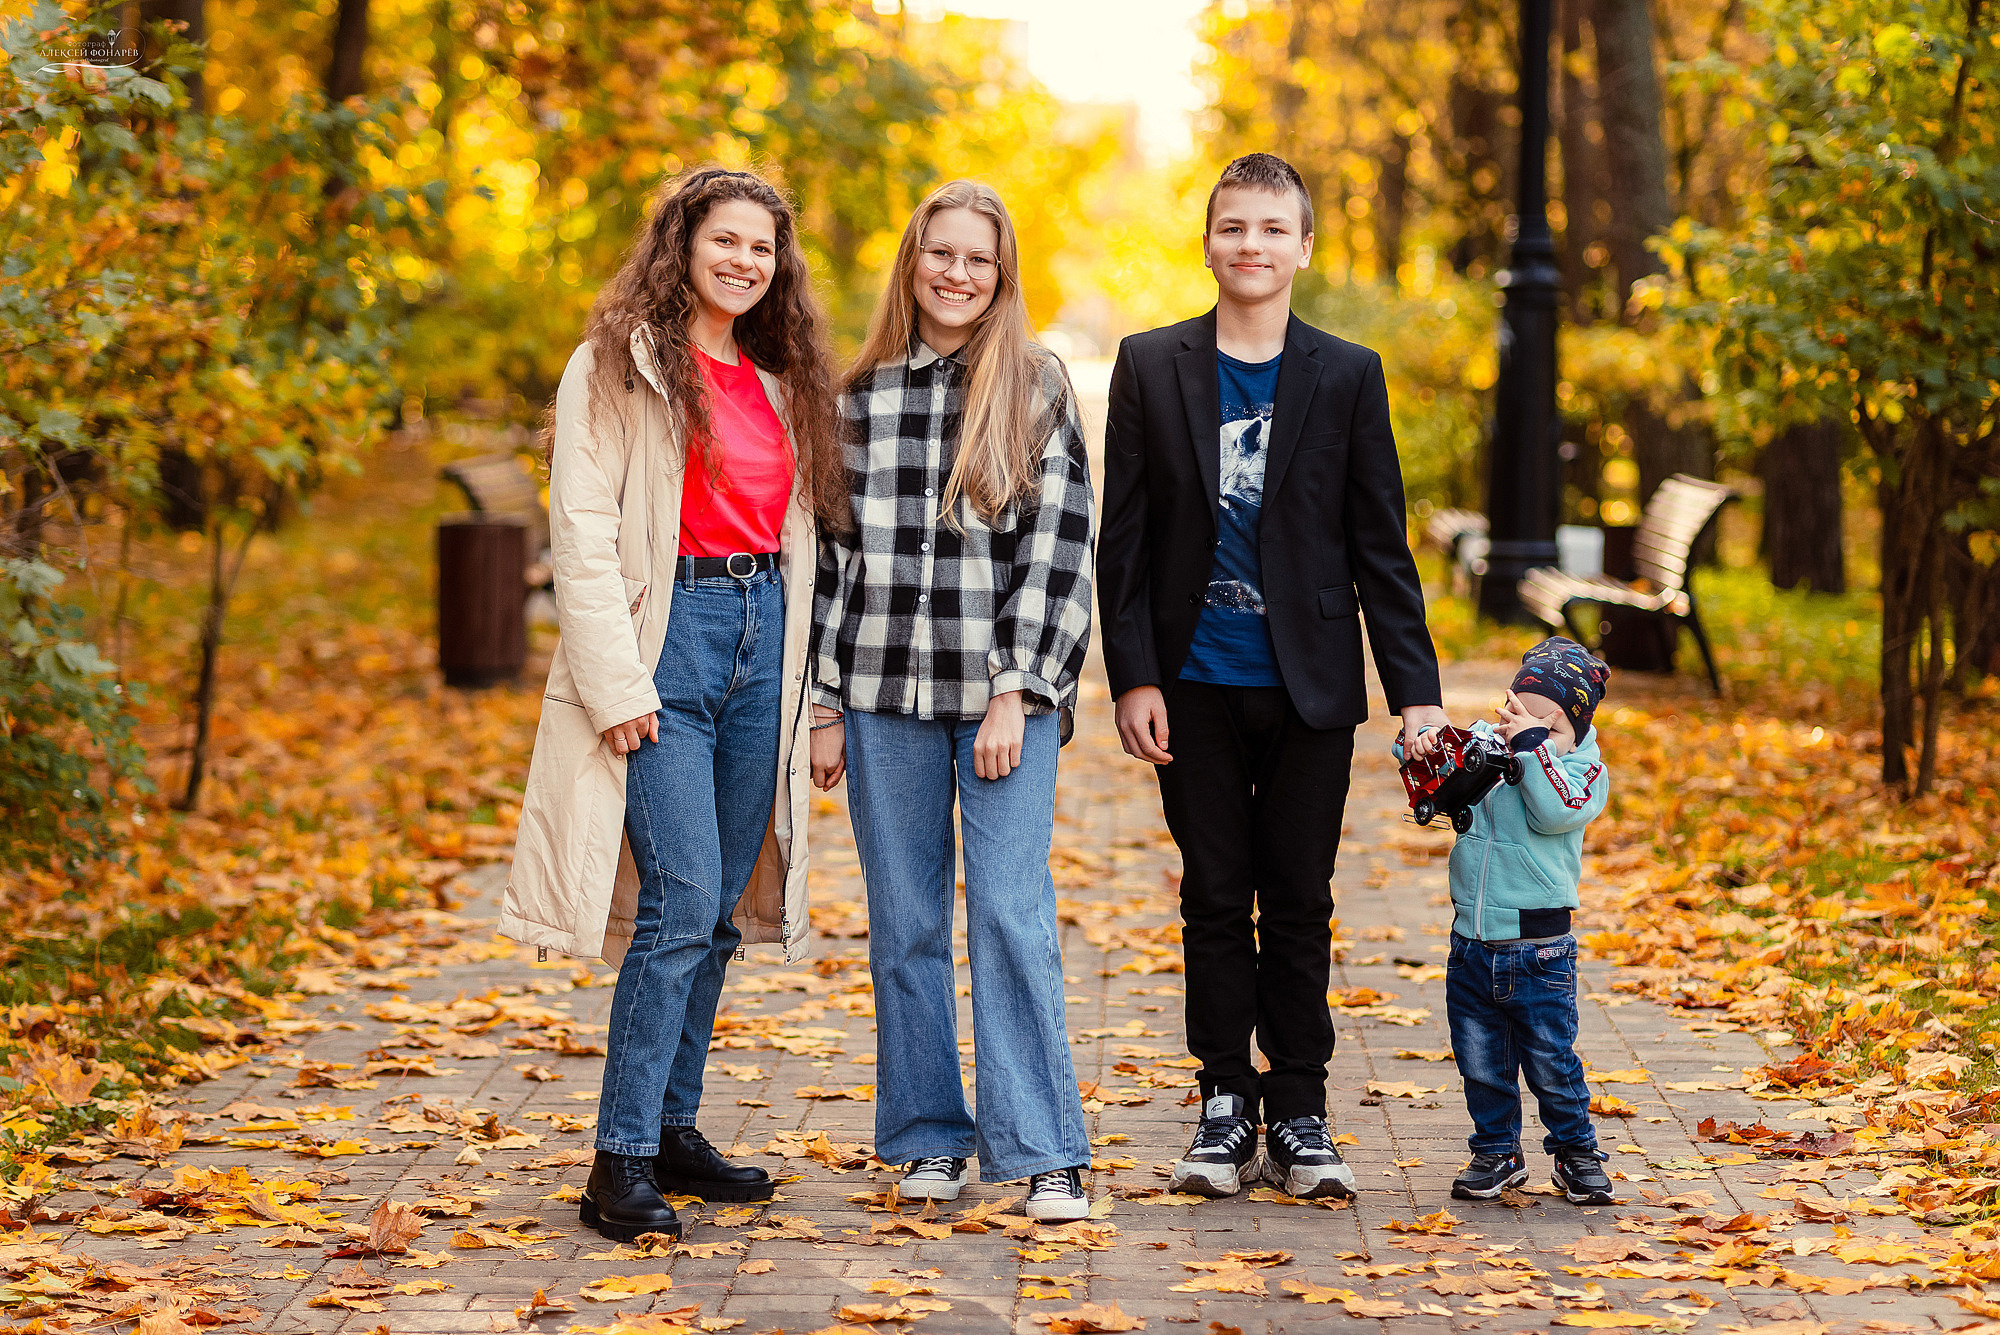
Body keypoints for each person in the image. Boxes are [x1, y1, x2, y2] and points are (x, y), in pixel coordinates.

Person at [500, 167, 847, 1243]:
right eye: (724, 241)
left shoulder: (780, 381)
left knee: (723, 914)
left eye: (762, 248)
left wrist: (813, 690)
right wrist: (615, 682)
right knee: (682, 901)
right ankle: (618, 1159)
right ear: (682, 245)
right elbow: (582, 531)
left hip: (762, 639)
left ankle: (671, 1129)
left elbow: (806, 547)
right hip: (666, 646)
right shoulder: (615, 365)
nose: (744, 261)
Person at [1096, 153, 1449, 1201]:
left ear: (1303, 247)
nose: (1250, 244)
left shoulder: (1347, 373)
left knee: (1297, 896)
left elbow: (1379, 546)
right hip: (1191, 684)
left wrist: (1418, 695)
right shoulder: (1149, 364)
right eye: (1232, 226)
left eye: (1270, 228)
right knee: (1213, 894)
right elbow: (1125, 540)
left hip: (1311, 688)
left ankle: (1298, 1108)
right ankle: (1222, 1103)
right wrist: (1133, 675)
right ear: (1207, 242)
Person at [809, 180, 1096, 1223]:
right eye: (941, 253)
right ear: (912, 261)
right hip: (881, 698)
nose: (957, 274)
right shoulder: (857, 396)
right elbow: (831, 562)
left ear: (1001, 273)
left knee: (1010, 914)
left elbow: (1059, 550)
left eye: (979, 258)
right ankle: (928, 1137)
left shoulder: (1035, 386)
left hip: (999, 702)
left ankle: (1045, 1150)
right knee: (905, 925)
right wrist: (825, 704)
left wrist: (1017, 689)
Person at [1393, 637, 1613, 1205]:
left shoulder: (1584, 773)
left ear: (1577, 731)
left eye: (1548, 726)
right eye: (1516, 715)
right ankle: (1496, 1151)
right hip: (1471, 942)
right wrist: (1422, 745)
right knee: (1481, 1063)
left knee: (1551, 1063)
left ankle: (1576, 1152)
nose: (1523, 732)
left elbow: (1554, 811)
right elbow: (1436, 760)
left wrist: (1533, 750)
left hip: (1540, 951)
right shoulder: (1489, 746)